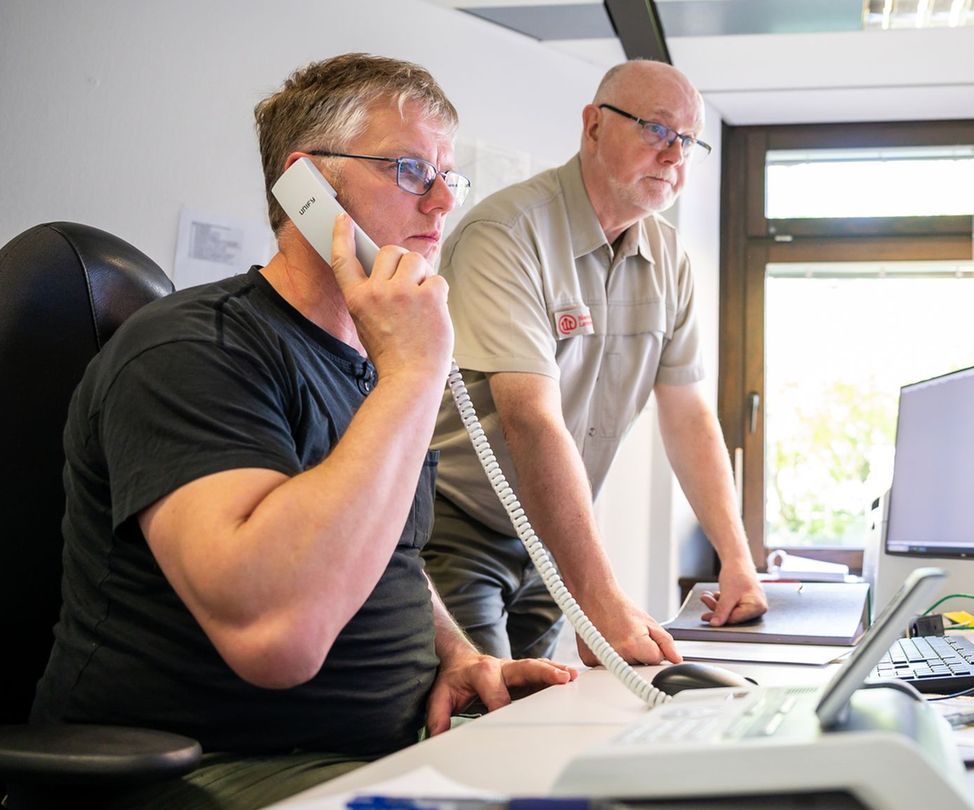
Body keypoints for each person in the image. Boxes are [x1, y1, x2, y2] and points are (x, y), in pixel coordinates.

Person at [26, 53, 576, 810]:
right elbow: (275, 638)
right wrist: (416, 376)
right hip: (214, 770)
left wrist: (450, 652)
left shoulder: (371, 364)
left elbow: (378, 547)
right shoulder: (192, 351)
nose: (445, 200)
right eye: (411, 169)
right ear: (307, 185)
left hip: (381, 750)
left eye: (452, 174)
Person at [426, 59, 767, 668]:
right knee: (482, 717)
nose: (674, 155)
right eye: (657, 130)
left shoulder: (672, 260)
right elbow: (530, 419)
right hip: (462, 526)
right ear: (593, 127)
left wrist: (736, 558)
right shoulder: (505, 233)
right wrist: (601, 595)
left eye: (687, 140)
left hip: (560, 530)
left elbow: (689, 415)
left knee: (542, 711)